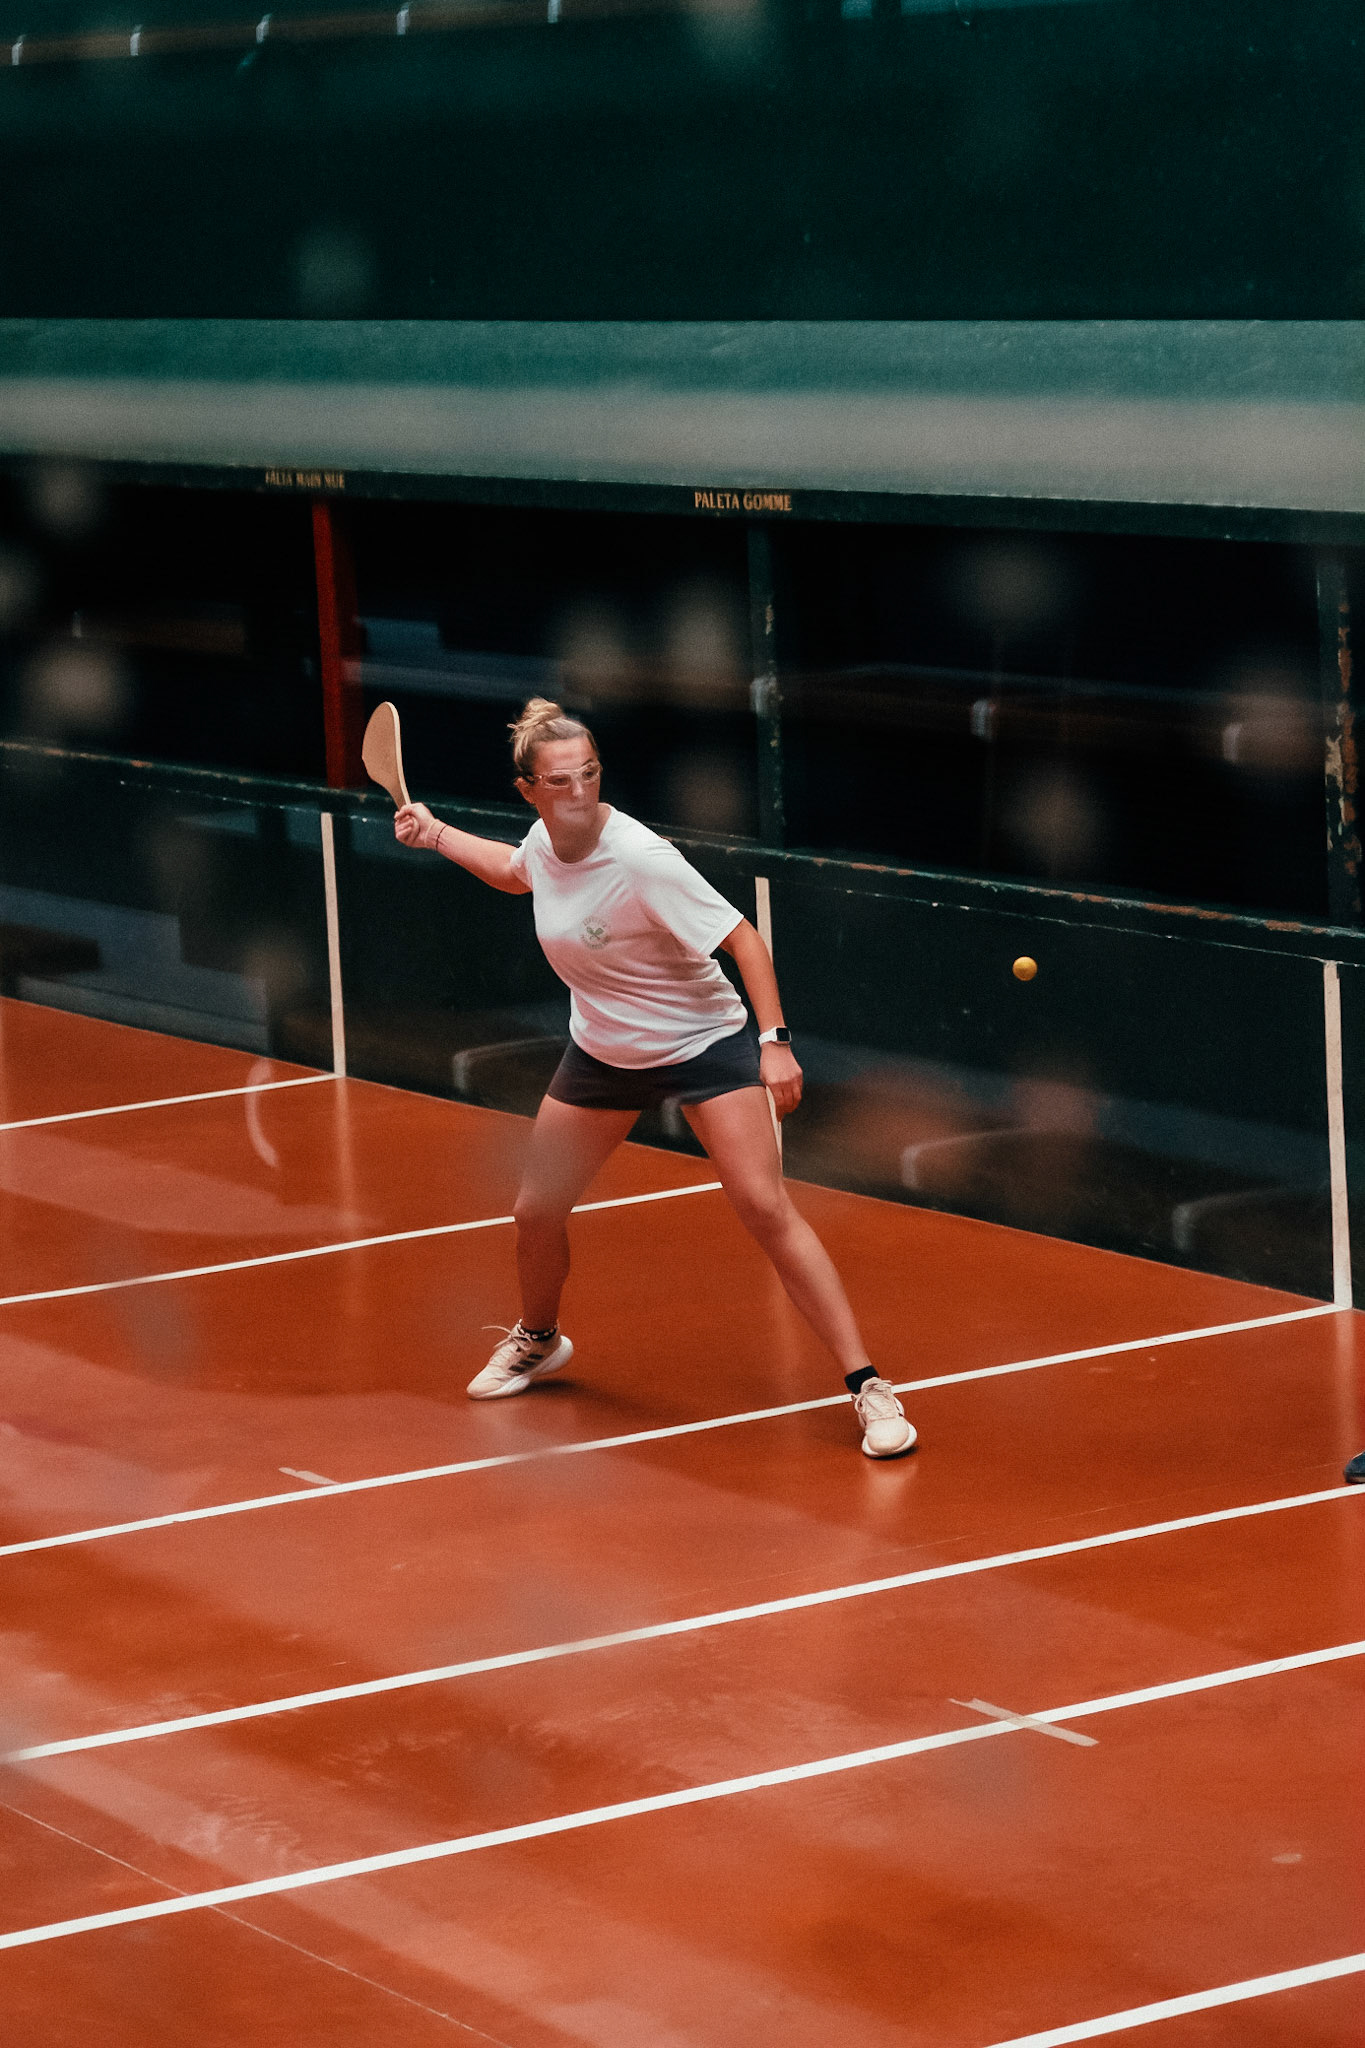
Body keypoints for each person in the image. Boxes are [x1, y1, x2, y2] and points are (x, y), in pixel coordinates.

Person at [394, 697, 915, 1459]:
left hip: (704, 1044)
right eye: (560, 781)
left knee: (764, 1208)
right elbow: (514, 872)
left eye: (590, 775)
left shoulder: (640, 859)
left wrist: (772, 1042)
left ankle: (868, 1385)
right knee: (534, 1212)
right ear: (528, 790)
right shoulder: (542, 839)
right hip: (604, 1053)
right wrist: (435, 834)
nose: (578, 793)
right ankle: (539, 1339)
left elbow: (743, 939)